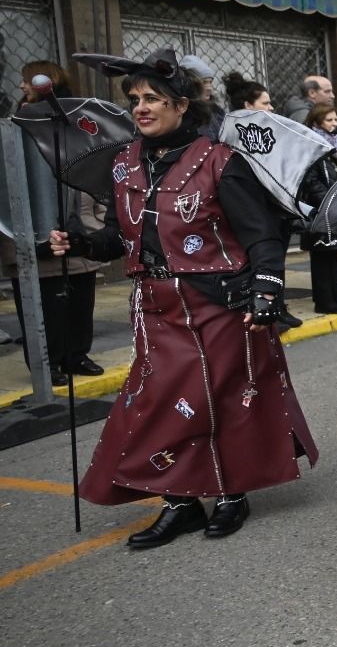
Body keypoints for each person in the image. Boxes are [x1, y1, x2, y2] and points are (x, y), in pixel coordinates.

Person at [51, 48, 315, 547]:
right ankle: (181, 503)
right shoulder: (124, 164)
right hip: (155, 309)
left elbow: (261, 235)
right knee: (159, 405)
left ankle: (232, 495)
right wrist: (79, 243)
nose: (141, 108)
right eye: (135, 100)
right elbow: (117, 239)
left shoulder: (220, 162)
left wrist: (267, 289)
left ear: (180, 106)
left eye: (153, 98)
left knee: (226, 400)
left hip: (219, 304)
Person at [7, 60, 103, 385]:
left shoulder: (76, 121)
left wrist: (97, 219)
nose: (21, 86)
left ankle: (76, 354)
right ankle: (47, 365)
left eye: (25, 81)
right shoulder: (18, 123)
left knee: (79, 299)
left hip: (78, 224)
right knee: (42, 304)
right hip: (37, 229)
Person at [300, 104, 337, 314]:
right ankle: (324, 300)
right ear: (317, 122)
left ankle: (336, 296)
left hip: (334, 205)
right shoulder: (312, 145)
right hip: (319, 207)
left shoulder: (336, 145)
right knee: (322, 255)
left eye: (336, 119)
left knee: (332, 252)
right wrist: (327, 200)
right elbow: (311, 179)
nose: (334, 124)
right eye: (329, 120)